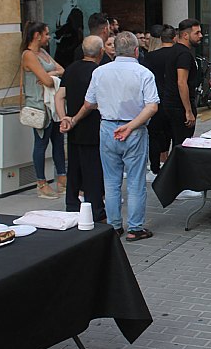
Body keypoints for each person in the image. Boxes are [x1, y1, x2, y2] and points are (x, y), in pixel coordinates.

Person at [61, 31, 159, 241]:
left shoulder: (100, 72)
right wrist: (131, 125)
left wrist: (75, 119)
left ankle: (114, 225)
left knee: (111, 180)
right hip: (134, 129)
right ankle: (135, 227)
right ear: (136, 50)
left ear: (112, 50)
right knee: (135, 181)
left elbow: (89, 103)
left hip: (107, 128)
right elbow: (152, 106)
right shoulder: (144, 73)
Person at [55, 36, 106, 222]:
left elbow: (59, 96)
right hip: (92, 126)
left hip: (73, 128)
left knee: (74, 167)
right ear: (101, 52)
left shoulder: (71, 68)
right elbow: (92, 103)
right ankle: (96, 210)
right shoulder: (99, 72)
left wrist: (64, 118)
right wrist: (74, 119)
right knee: (93, 169)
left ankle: (72, 204)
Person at [21, 21, 66, 199]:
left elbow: (61, 70)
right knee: (41, 143)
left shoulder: (44, 53)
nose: (49, 36)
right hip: (39, 105)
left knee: (58, 141)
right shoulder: (29, 55)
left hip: (53, 104)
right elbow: (47, 82)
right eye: (46, 34)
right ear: (36, 35)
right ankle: (41, 183)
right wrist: (51, 76)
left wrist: (51, 74)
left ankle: (62, 178)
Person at [163, 19, 202, 145]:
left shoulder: (175, 51)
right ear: (185, 35)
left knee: (177, 144)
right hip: (179, 107)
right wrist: (188, 111)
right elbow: (181, 82)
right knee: (183, 144)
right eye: (197, 33)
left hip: (171, 105)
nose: (200, 36)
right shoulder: (183, 54)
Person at [143, 25, 176, 177]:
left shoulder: (150, 57)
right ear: (174, 38)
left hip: (154, 100)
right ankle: (171, 166)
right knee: (172, 133)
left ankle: (155, 167)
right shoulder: (179, 55)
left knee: (154, 135)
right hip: (174, 100)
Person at [53, 0, 83, 68]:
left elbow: (73, 28)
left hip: (71, 48)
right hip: (61, 47)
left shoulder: (77, 12)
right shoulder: (62, 11)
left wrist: (57, 34)